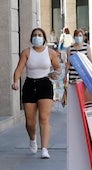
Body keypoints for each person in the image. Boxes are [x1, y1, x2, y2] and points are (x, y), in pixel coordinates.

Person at [11, 26, 63, 159]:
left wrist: (55, 74)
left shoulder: (50, 52)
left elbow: (58, 68)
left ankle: (44, 148)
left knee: (44, 118)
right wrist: (16, 81)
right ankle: (32, 139)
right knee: (30, 122)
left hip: (45, 84)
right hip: (30, 85)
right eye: (35, 35)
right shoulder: (26, 52)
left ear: (44, 38)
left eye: (40, 35)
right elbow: (19, 69)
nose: (37, 37)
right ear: (31, 38)